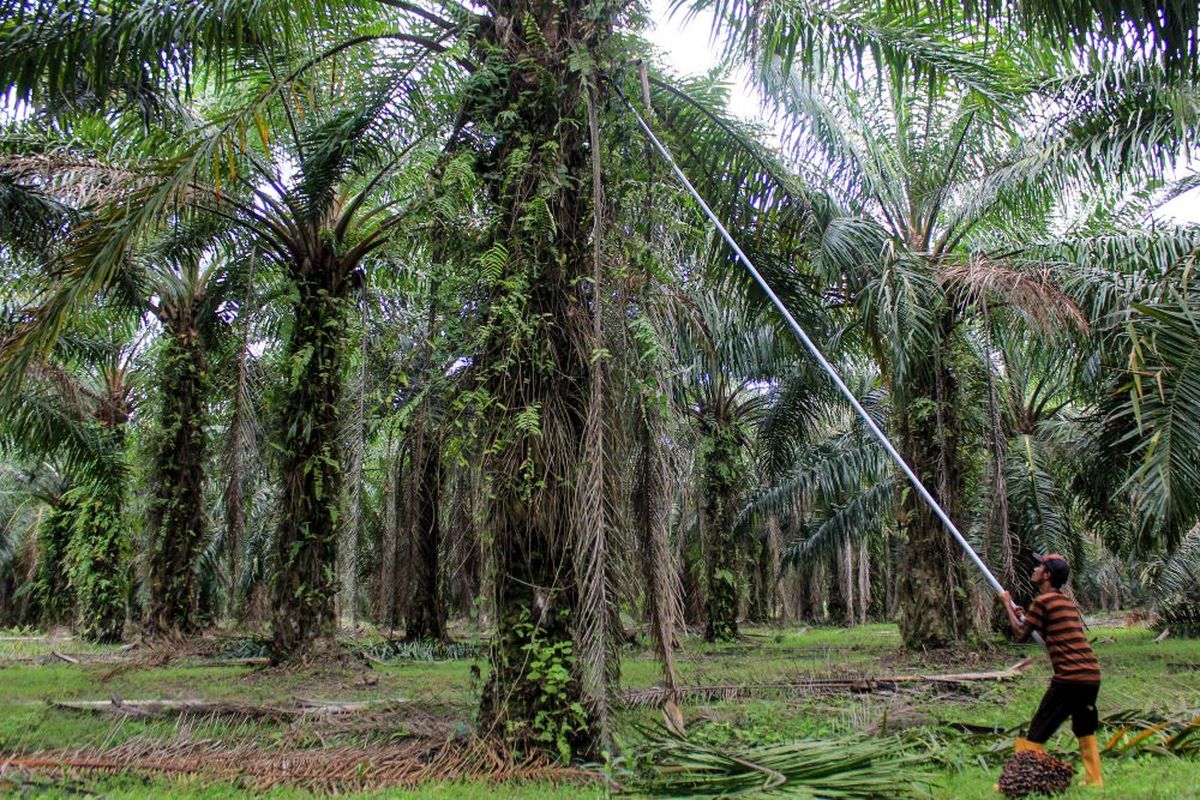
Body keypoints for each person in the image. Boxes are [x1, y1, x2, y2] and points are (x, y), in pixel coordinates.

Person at [999, 552, 1103, 788]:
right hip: (1090, 674)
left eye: (1039, 567)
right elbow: (1049, 630)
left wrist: (1006, 603)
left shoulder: (1043, 601)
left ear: (1047, 575)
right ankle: (1094, 779)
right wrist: (1024, 617)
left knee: (1038, 728)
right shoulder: (1066, 603)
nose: (1034, 569)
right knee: (1084, 725)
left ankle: (1015, 782)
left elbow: (1020, 634)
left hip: (1069, 677)